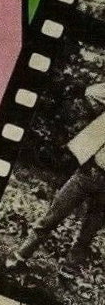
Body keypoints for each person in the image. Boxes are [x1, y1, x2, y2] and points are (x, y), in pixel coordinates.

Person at [8, 80, 105, 271]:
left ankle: (69, 269)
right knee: (53, 216)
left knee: (87, 234)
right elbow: (92, 92)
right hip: (88, 171)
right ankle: (21, 255)